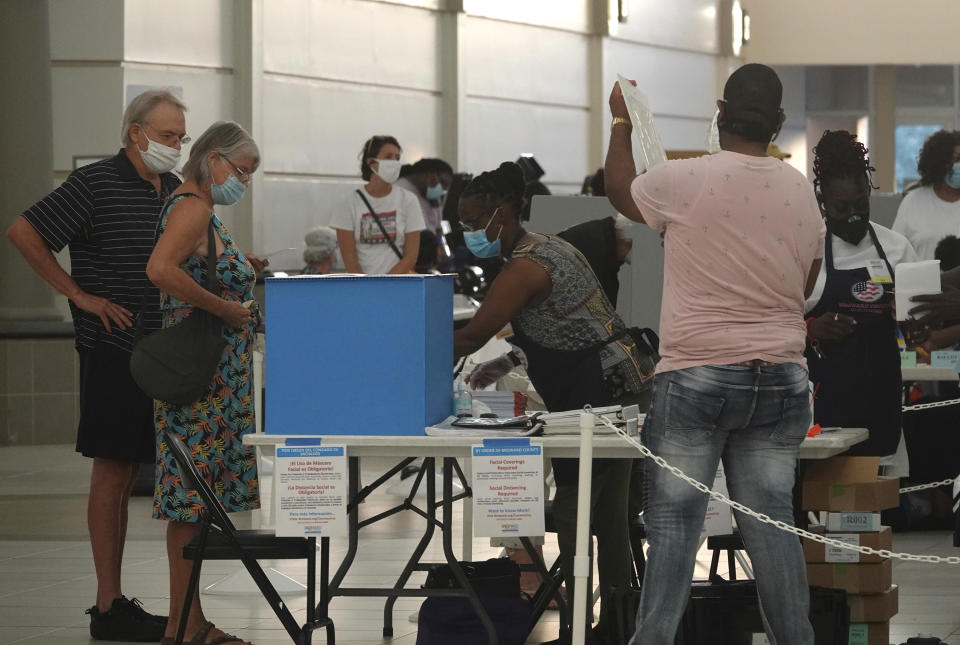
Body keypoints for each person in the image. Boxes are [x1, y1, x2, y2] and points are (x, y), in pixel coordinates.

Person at [605, 63, 825, 644]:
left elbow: (622, 192)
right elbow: (808, 280)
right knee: (772, 524)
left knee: (675, 526)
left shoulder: (686, 179)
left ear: (720, 114)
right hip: (781, 379)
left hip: (697, 376)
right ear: (778, 123)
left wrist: (622, 123)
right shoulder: (799, 188)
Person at [5, 88, 188, 642]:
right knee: (113, 467)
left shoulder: (174, 189)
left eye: (181, 137)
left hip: (163, 351)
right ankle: (107, 603)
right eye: (166, 136)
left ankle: (126, 604)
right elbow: (23, 232)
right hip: (114, 346)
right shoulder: (95, 183)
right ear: (135, 132)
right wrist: (79, 295)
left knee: (135, 468)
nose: (176, 147)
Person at [453, 162, 656, 645]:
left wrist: (400, 344)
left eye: (471, 222)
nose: (467, 234)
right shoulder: (546, 244)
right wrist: (500, 366)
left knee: (576, 512)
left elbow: (473, 334)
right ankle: (615, 623)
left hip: (600, 391)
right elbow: (548, 327)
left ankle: (584, 626)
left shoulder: (525, 267)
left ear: (500, 213)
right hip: (621, 385)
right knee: (609, 517)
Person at [146, 121, 264, 645]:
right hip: (203, 384)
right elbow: (161, 270)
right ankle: (183, 625)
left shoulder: (198, 207)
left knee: (201, 504)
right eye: (241, 171)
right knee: (192, 504)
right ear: (213, 158)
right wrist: (228, 310)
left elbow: (193, 268)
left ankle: (189, 621)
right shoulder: (191, 205)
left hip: (215, 382)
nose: (243, 182)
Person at [805, 130, 917, 458]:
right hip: (823, 406)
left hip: (881, 398)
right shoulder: (807, 251)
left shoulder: (897, 248)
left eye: (861, 204)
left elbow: (920, 328)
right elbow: (773, 323)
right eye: (842, 207)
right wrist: (812, 327)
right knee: (820, 499)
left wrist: (911, 325)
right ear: (822, 201)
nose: (853, 214)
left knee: (875, 500)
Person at [331, 135, 425, 274]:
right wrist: (367, 287)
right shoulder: (348, 203)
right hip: (363, 287)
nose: (394, 162)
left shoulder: (408, 200)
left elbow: (411, 257)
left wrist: (385, 284)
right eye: (388, 157)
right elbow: (350, 260)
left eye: (397, 158)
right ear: (371, 162)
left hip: (397, 285)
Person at [892, 129, 960, 260]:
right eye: (957, 159)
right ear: (940, 163)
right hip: (921, 280)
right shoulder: (913, 201)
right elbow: (895, 252)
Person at [396, 157, 454, 234]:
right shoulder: (400, 192)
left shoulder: (431, 196)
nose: (442, 189)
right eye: (443, 183)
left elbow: (439, 228)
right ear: (429, 175)